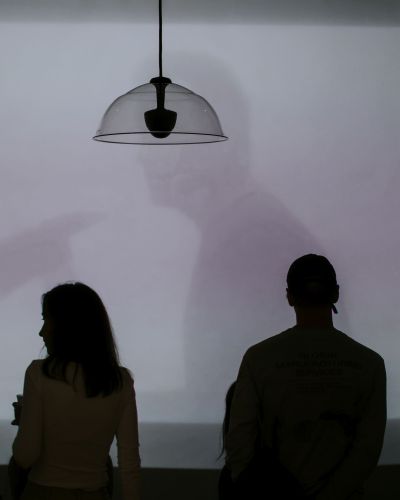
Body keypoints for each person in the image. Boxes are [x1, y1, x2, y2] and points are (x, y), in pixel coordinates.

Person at [225, 254, 387, 500]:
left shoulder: (258, 359)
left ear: (289, 297)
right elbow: (367, 450)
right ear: (336, 294)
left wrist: (254, 488)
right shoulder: (370, 364)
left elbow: (240, 439)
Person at [8, 282, 141, 500]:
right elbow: (130, 464)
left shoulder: (38, 374)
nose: (41, 332)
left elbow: (25, 454)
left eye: (46, 320)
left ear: (65, 326)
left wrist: (25, 422)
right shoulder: (121, 381)